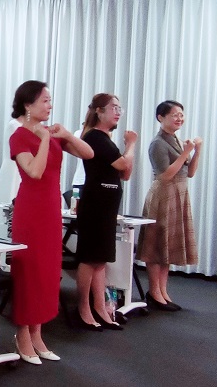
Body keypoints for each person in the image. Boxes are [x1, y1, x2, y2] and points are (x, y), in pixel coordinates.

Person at [9, 80, 93, 364]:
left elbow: (89, 154)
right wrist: (45, 139)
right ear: (28, 104)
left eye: (49, 100)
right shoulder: (19, 136)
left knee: (47, 272)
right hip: (30, 210)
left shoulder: (53, 133)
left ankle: (38, 333)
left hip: (51, 210)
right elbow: (34, 171)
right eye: (44, 100)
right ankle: (22, 334)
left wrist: (66, 134)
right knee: (29, 273)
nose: (50, 105)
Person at [74, 94, 137, 331]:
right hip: (95, 203)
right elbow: (123, 164)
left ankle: (100, 307)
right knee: (90, 257)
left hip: (108, 204)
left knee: (101, 260)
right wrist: (131, 145)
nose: (118, 112)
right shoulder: (94, 137)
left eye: (120, 108)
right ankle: (83, 308)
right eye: (113, 107)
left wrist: (127, 151)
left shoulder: (107, 140)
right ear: (99, 111)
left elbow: (125, 174)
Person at [136, 100, 203, 311]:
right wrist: (185, 152)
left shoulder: (176, 140)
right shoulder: (157, 143)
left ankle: (162, 291)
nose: (179, 119)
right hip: (163, 195)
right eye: (174, 115)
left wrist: (197, 151)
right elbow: (164, 175)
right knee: (156, 246)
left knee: (167, 247)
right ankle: (154, 292)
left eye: (181, 115)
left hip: (178, 194)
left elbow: (189, 173)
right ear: (161, 117)